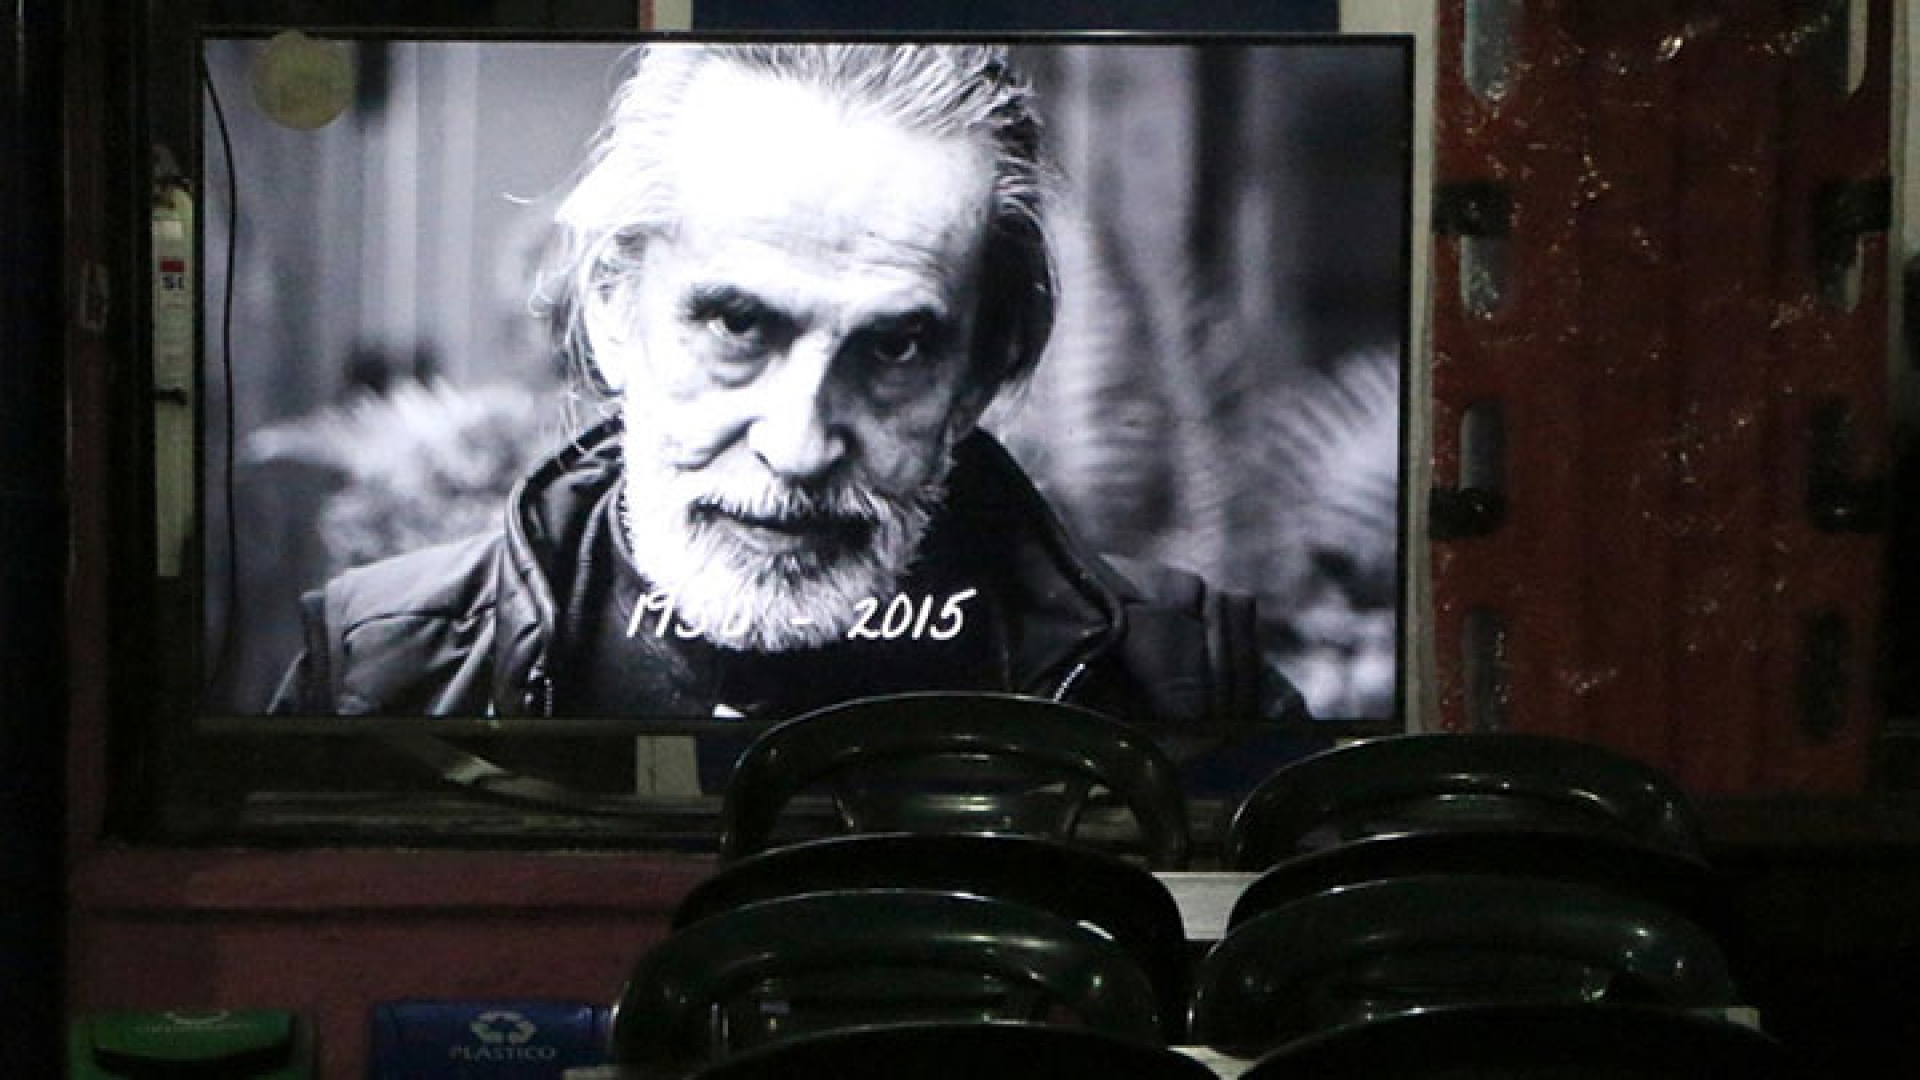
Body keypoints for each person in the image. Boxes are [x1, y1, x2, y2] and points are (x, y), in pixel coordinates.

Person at [270, 43, 1307, 738]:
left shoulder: (1187, 682)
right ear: (613, 311)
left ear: (983, 371)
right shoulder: (375, 670)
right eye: (737, 326)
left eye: (895, 347)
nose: (801, 445)